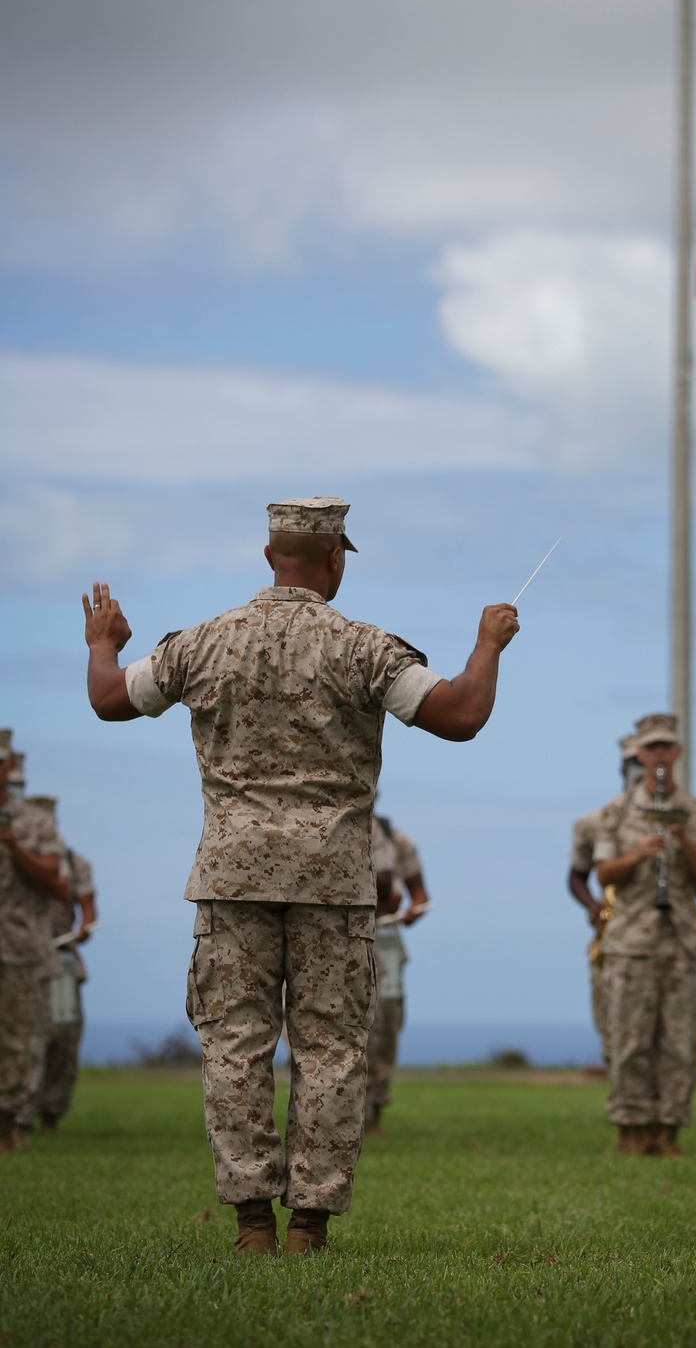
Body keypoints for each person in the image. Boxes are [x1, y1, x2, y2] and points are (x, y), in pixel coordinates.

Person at [82, 496, 518, 1255]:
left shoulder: (202, 642)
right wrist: (488, 644)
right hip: (333, 885)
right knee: (332, 1052)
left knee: (236, 1049)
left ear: (267, 556)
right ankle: (308, 1227)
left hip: (231, 883)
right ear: (334, 559)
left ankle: (253, 1224)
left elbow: (110, 699)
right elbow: (460, 713)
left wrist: (101, 643)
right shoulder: (364, 648)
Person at [593, 712, 696, 1158]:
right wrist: (639, 854)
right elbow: (603, 872)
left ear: (678, 752)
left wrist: (683, 840)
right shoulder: (614, 813)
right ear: (640, 754)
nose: (661, 755)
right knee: (629, 1039)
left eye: (668, 747)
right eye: (653, 748)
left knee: (681, 1042)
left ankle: (668, 1131)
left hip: (682, 942)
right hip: (631, 942)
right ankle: (631, 1130)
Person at [0, 733, 71, 1153]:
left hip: (20, 949)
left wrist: (13, 846)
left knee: (22, 1041)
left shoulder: (33, 824)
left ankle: (13, 1123)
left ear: (8, 768)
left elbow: (57, 885)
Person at [20, 823, 98, 1137]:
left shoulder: (75, 863)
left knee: (63, 1038)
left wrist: (83, 929)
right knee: (24, 1040)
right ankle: (18, 1115)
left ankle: (50, 1114)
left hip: (61, 958)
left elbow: (88, 909)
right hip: (19, 958)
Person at [568, 734, 641, 1067]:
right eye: (634, 764)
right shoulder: (595, 823)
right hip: (614, 935)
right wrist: (593, 906)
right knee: (614, 1028)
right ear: (622, 769)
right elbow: (576, 876)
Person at [364, 808, 429, 1136]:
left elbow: (418, 895)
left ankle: (374, 1113)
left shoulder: (396, 840)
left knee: (384, 1025)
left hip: (384, 940)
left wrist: (410, 911)